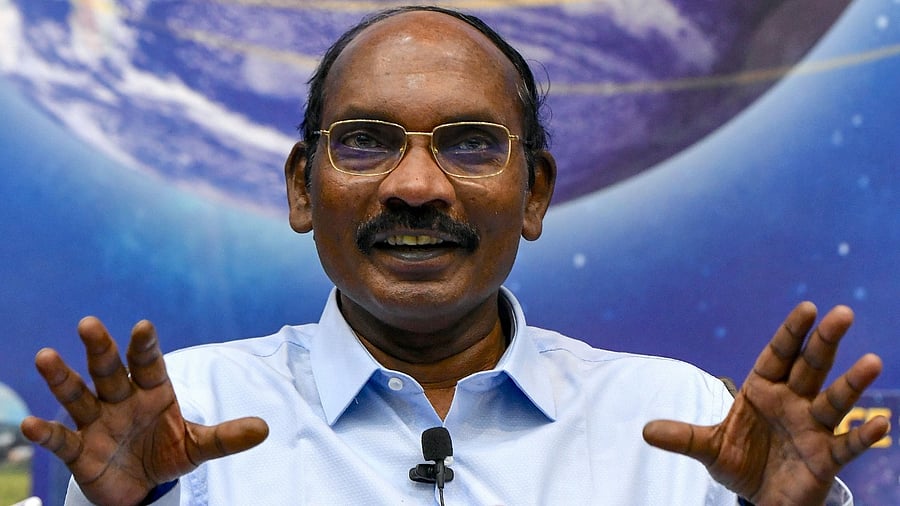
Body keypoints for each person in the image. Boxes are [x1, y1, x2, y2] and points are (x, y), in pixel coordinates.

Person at [20, 6, 888, 506]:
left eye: (471, 146)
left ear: (537, 192)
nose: (417, 187)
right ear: (300, 188)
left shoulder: (679, 423)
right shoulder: (189, 419)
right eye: (365, 142)